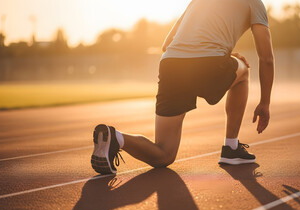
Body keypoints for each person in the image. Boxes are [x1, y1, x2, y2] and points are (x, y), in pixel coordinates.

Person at [91, 0, 274, 174]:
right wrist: (265, 102)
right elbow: (266, 58)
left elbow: (166, 44)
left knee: (164, 155)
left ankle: (116, 137)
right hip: (209, 62)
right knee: (244, 70)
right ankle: (231, 147)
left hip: (171, 64)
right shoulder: (254, 3)